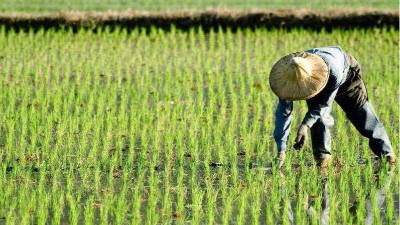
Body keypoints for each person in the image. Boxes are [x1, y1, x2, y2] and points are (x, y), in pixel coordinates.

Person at [269, 46, 396, 168]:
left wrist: (305, 125)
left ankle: (386, 152)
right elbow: (283, 114)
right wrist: (281, 149)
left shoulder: (333, 71)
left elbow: (323, 106)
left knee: (359, 112)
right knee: (318, 120)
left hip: (345, 74)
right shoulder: (285, 82)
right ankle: (322, 158)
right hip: (316, 77)